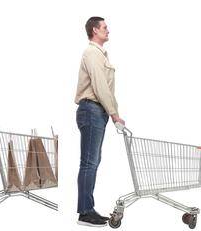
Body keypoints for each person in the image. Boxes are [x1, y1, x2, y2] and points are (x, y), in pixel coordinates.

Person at [74, 16, 119, 227]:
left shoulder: (100, 54)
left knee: (92, 162)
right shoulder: (92, 53)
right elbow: (100, 86)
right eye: (104, 27)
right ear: (95, 30)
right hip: (92, 110)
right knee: (89, 162)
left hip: (96, 112)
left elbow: (105, 88)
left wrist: (110, 112)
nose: (108, 30)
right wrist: (114, 113)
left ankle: (88, 208)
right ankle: (85, 212)